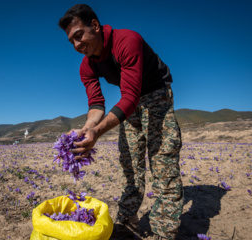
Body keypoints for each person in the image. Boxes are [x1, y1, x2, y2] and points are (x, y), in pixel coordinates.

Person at [58, 4, 183, 240]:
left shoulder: (127, 40)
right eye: (71, 41)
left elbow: (130, 97)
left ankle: (164, 233)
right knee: (130, 165)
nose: (76, 45)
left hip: (156, 95)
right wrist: (88, 129)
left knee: (163, 164)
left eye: (79, 35)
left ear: (95, 26)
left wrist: (98, 131)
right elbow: (96, 104)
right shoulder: (86, 66)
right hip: (129, 103)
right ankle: (127, 223)